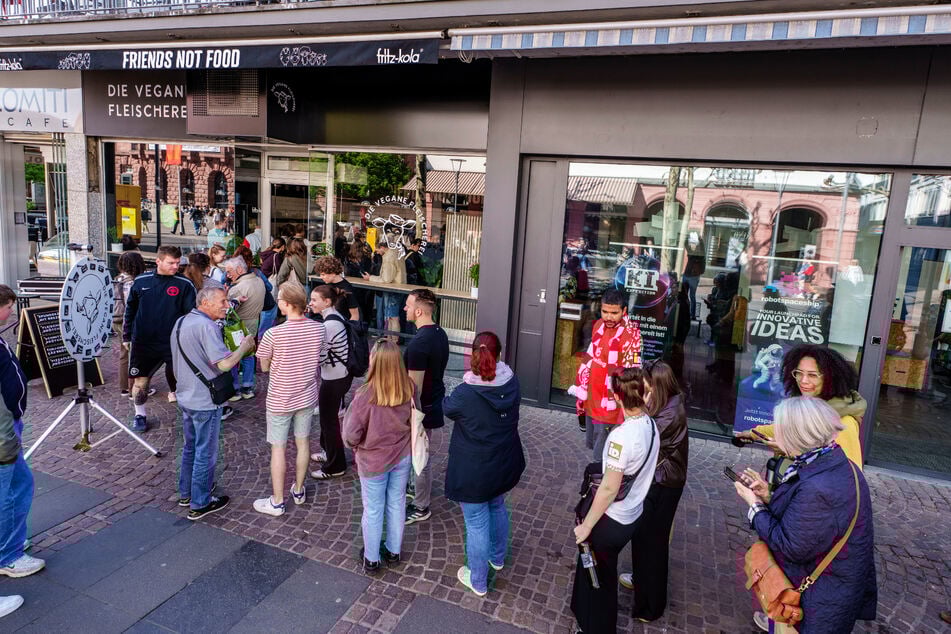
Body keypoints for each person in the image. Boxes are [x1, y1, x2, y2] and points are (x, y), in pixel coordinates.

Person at [734, 397, 877, 634]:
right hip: (833, 589)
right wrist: (768, 495)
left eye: (780, 430)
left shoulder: (818, 487)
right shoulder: (833, 461)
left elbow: (790, 545)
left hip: (815, 602)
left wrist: (754, 506)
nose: (776, 436)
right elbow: (808, 517)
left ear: (797, 436)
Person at [571, 367, 658, 634]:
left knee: (599, 577)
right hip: (633, 513)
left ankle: (595, 627)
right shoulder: (651, 426)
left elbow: (609, 488)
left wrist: (586, 526)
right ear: (645, 393)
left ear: (617, 398)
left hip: (613, 520)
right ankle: (584, 615)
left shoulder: (620, 438)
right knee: (598, 570)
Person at [444, 331, 524, 597]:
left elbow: (446, 407)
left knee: (476, 522)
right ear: (500, 354)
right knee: (497, 505)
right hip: (503, 462)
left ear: (472, 356)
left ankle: (478, 580)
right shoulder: (512, 382)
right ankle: (497, 558)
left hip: (474, 470)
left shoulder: (466, 392)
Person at [172, 286, 255, 520]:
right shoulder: (207, 326)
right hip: (205, 400)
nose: (227, 305)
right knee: (205, 452)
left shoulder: (181, 322)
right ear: (205, 302)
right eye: (222, 301)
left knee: (190, 447)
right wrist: (244, 347)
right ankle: (200, 502)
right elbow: (224, 365)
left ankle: (186, 493)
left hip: (186, 396)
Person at [618, 361, 688, 621]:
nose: (642, 394)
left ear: (656, 387)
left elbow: (640, 441)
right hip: (658, 480)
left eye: (646, 389)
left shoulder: (666, 415)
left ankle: (651, 606)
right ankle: (641, 580)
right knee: (643, 537)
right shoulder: (667, 403)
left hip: (663, 485)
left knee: (653, 544)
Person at [342, 340, 414, 575]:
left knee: (373, 509)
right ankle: (394, 551)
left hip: (373, 461)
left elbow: (350, 434)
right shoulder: (409, 387)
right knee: (397, 503)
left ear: (375, 361)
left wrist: (356, 447)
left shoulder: (365, 396)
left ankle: (371, 559)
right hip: (402, 455)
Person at [253, 283, 325, 516]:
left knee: (278, 448)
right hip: (306, 395)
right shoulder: (319, 329)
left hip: (280, 397)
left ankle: (277, 500)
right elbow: (321, 356)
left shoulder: (274, 333)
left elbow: (263, 366)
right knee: (303, 442)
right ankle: (299, 489)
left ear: (286, 304)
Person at [737, 344, 867, 468]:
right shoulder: (812, 407)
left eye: (812, 375)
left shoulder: (844, 423)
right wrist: (752, 434)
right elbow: (789, 427)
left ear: (832, 378)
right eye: (799, 373)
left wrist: (790, 451)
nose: (803, 380)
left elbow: (846, 475)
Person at [0, 285, 45, 587]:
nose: (12, 313)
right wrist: (7, 437)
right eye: (8, 307)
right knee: (8, 492)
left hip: (8, 427)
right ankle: (9, 555)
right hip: (3, 432)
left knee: (19, 484)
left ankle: (12, 541)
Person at [123, 245, 196, 431]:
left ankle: (189, 414)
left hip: (173, 342)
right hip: (144, 341)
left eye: (178, 263)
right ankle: (140, 415)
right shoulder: (141, 281)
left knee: (183, 380)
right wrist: (127, 335)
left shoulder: (185, 284)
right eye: (171, 263)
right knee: (140, 382)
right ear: (158, 261)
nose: (175, 267)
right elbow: (130, 309)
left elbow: (192, 315)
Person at [568, 288, 643, 460]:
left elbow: (634, 372)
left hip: (611, 404)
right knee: (595, 442)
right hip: (592, 397)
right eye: (605, 311)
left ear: (624, 311)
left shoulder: (632, 334)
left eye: (614, 313)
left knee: (605, 451)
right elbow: (591, 356)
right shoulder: (598, 325)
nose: (608, 317)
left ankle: (602, 481)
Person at [403, 288, 450, 525]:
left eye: (408, 305)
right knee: (421, 455)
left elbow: (415, 389)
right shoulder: (440, 333)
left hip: (423, 408)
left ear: (419, 311)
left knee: (420, 457)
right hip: (434, 401)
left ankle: (421, 505)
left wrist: (411, 418)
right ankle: (416, 489)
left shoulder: (419, 344)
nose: (405, 309)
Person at [308, 285, 352, 479]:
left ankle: (335, 465)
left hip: (334, 378)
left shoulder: (329, 325)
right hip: (339, 375)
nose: (311, 303)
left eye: (314, 300)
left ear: (327, 302)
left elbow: (320, 357)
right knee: (328, 419)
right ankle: (328, 452)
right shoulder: (335, 317)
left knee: (329, 421)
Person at [224, 257, 265, 400]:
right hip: (253, 324)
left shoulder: (238, 288)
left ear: (240, 270)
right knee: (248, 356)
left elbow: (227, 310)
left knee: (234, 357)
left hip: (237, 327)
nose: (228, 275)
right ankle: (248, 387)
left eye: (229, 271)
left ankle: (235, 389)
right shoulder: (259, 280)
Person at [114, 251, 146, 397]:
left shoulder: (118, 278)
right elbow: (130, 305)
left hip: (117, 319)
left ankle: (124, 386)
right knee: (135, 354)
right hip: (128, 322)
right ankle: (134, 388)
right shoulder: (131, 282)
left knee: (124, 353)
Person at [362, 242, 405, 340]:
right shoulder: (397, 252)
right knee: (393, 317)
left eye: (377, 249)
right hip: (399, 288)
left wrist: (370, 278)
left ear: (382, 247)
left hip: (392, 290)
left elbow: (386, 279)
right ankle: (391, 340)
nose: (376, 252)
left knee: (392, 317)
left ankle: (392, 341)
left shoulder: (389, 257)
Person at [313, 255, 360, 321]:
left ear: (333, 273)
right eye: (320, 274)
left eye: (323, 274)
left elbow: (355, 316)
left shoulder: (348, 289)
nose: (321, 277)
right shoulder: (328, 285)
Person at [682, 231, 706, 320]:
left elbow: (702, 247)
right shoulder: (692, 253)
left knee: (691, 296)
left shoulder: (701, 255)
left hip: (693, 276)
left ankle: (692, 315)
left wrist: (699, 238)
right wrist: (687, 236)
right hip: (688, 275)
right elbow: (686, 245)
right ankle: (686, 313)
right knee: (686, 295)